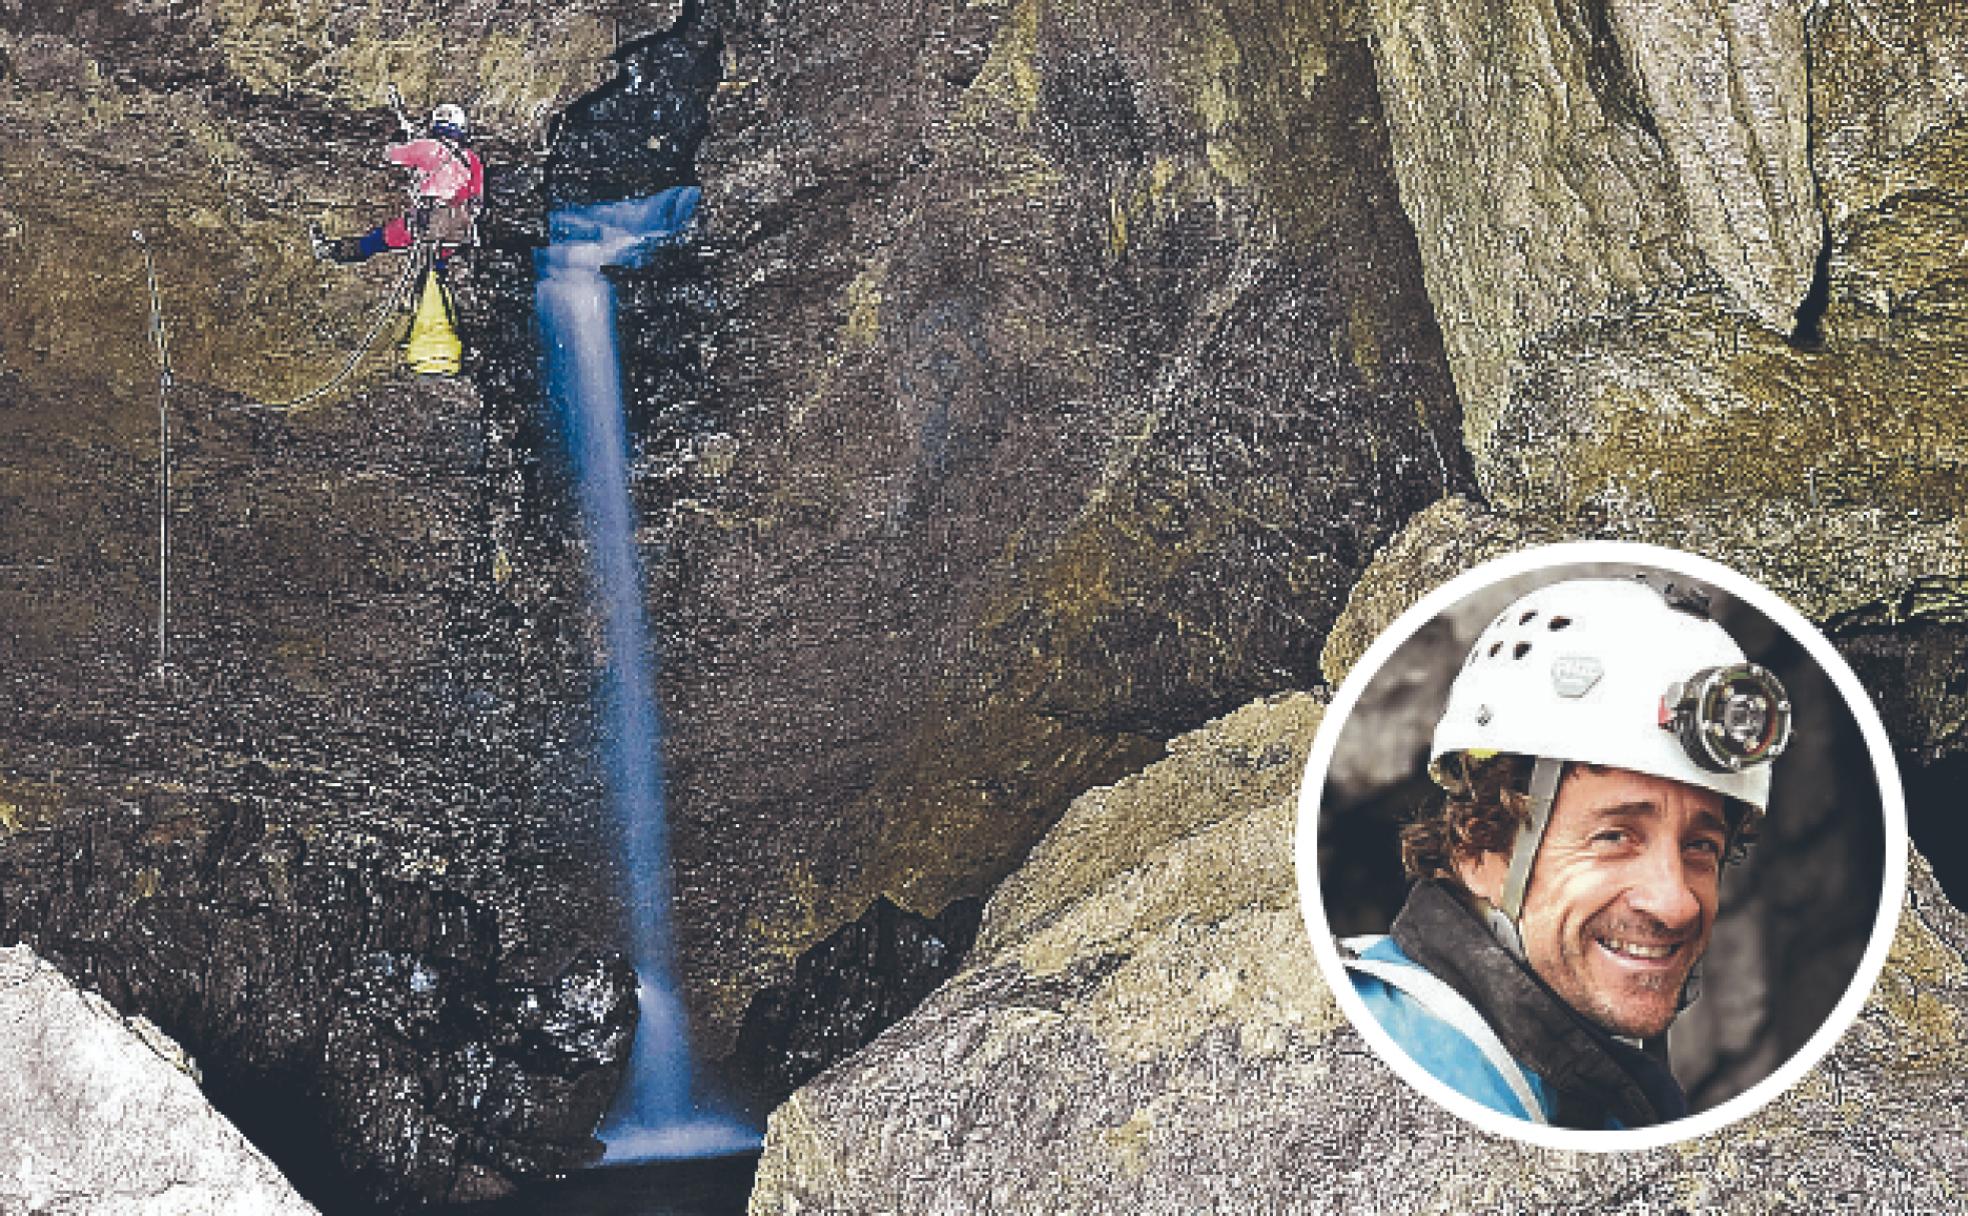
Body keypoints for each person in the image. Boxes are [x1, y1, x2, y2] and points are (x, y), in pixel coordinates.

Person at [1340, 576, 1792, 1129]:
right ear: (1482, 847)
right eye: (1614, 837)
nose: (1675, 904)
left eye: (1701, 847)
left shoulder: (1577, 1087)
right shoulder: (1408, 1063)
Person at [311, 103, 484, 266]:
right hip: (461, 227)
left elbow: (390, 155)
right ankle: (439, 277)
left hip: (429, 219)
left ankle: (331, 251)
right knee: (440, 261)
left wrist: (399, 139)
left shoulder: (427, 148)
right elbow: (476, 197)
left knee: (377, 241)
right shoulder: (472, 160)